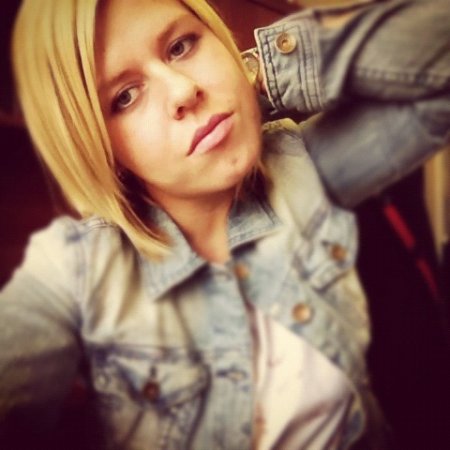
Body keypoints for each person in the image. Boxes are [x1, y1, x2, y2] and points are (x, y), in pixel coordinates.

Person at [0, 0, 449, 448]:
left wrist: (255, 77)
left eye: (181, 46)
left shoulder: (298, 166)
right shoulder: (74, 271)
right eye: (125, 97)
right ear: (96, 146)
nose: (182, 90)